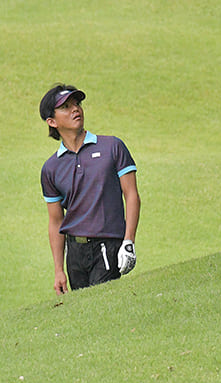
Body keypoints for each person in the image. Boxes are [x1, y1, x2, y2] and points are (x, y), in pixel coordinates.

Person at [39, 84, 141, 295]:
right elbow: (56, 221)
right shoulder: (51, 168)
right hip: (75, 252)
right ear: (52, 121)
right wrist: (58, 270)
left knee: (100, 305)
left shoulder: (112, 146)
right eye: (66, 107)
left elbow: (131, 195)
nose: (75, 109)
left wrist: (129, 241)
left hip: (107, 244)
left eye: (77, 104)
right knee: (82, 314)